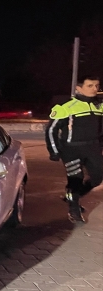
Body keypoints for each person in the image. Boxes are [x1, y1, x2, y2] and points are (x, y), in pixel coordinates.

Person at [45, 75, 103, 223]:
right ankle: (74, 209)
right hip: (71, 150)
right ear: (78, 88)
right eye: (90, 86)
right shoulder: (67, 107)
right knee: (75, 180)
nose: (94, 89)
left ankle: (72, 197)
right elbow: (51, 130)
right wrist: (54, 151)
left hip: (93, 148)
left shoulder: (99, 106)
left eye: (96, 85)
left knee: (97, 178)